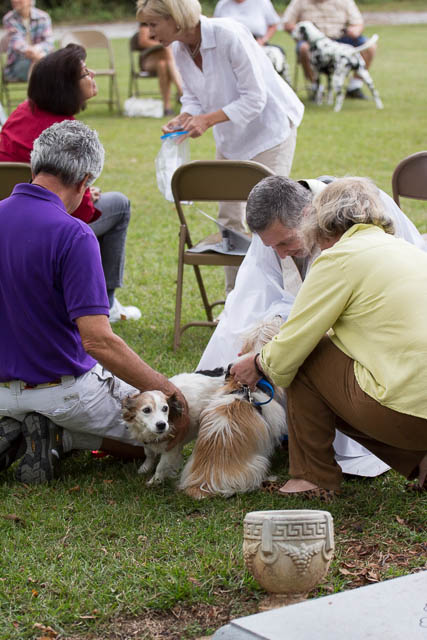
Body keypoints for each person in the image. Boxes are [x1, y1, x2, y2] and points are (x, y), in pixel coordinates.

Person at [198, 175, 427, 478]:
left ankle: (313, 477)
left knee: (300, 357)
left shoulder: (337, 260)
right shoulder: (401, 248)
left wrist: (256, 362)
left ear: (314, 222)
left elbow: (294, 345)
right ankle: (419, 460)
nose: (281, 254)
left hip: (409, 412)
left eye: (286, 242)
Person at [0, 120, 189, 484]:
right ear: (85, 181)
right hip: (61, 392)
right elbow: (98, 340)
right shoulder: (73, 233)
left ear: (34, 165)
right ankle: (57, 436)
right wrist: (168, 389)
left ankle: (24, 427)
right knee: (161, 436)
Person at [136, 0, 304, 294]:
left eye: (153, 24)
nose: (149, 33)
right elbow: (193, 96)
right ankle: (236, 300)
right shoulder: (179, 48)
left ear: (174, 18)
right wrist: (185, 117)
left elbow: (255, 98)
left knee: (272, 219)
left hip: (270, 131)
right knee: (229, 220)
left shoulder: (229, 34)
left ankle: (281, 299)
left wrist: (207, 120)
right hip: (231, 137)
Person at [0, 44, 140, 323]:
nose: (93, 74)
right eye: (85, 72)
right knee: (119, 205)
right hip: (47, 225)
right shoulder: (65, 133)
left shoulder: (22, 112)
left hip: (8, 216)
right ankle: (106, 303)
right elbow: (82, 214)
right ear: (66, 87)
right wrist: (83, 192)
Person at [283, 0, 376, 99]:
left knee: (370, 46)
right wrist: (303, 31)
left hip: (340, 38)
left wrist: (355, 31)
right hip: (314, 42)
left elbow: (358, 23)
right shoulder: (299, 2)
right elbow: (288, 24)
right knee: (303, 48)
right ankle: (315, 87)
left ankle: (354, 87)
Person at [131, 24, 182, 116]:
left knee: (162, 65)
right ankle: (181, 90)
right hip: (148, 60)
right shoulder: (146, 23)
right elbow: (143, 41)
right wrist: (162, 45)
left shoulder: (166, 21)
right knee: (166, 50)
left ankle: (167, 107)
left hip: (163, 62)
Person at [2, 0, 53, 82]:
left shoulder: (43, 17)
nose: (15, 1)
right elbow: (17, 43)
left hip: (42, 57)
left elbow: (49, 43)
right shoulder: (9, 19)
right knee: (44, 68)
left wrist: (37, 52)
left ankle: (33, 94)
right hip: (18, 63)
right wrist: (36, 55)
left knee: (42, 66)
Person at [214, 0, 280, 47]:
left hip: (256, 44)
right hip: (227, 45)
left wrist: (263, 41)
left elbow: (273, 24)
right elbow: (214, 27)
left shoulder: (262, 2)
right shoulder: (222, 3)